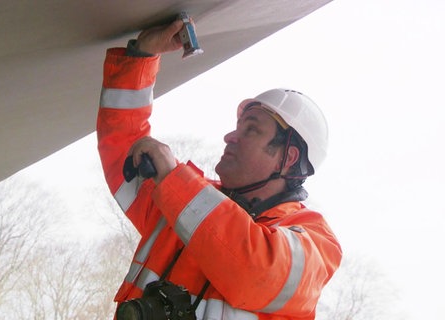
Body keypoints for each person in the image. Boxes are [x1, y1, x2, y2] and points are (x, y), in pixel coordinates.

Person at [97, 16, 342, 320]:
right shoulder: (180, 201)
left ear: (288, 158)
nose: (230, 136)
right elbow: (124, 144)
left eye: (251, 129)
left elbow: (256, 271)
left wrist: (176, 182)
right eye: (238, 126)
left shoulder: (315, 241)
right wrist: (142, 55)